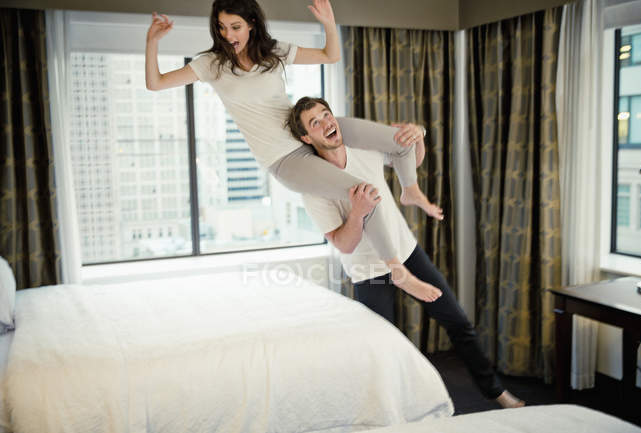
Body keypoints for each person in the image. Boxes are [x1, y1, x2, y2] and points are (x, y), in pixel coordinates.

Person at [145, 0, 441, 300]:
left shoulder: (273, 51)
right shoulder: (211, 64)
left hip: (306, 130)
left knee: (400, 138)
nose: (228, 34)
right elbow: (155, 84)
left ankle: (410, 189)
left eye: (235, 26)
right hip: (287, 158)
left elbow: (331, 54)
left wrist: (328, 22)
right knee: (365, 193)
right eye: (221, 27)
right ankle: (398, 271)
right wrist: (152, 42)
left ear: (251, 23)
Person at [286, 96, 526, 408]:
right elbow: (344, 244)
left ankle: (497, 393)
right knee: (381, 347)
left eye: (326, 114)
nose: (326, 123)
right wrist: (357, 213)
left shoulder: (362, 146)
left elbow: (408, 160)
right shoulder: (314, 186)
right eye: (314, 123)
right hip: (369, 271)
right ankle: (388, 412)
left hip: (406, 251)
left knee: (457, 321)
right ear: (307, 138)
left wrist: (417, 136)